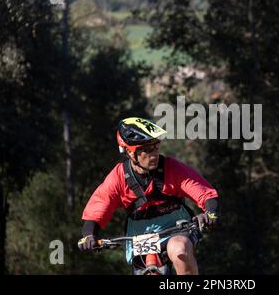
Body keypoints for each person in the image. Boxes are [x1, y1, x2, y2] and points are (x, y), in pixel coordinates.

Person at [77, 117, 219, 275]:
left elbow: (205, 193)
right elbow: (97, 209)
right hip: (140, 237)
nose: (155, 154)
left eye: (156, 146)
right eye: (147, 149)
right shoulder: (118, 177)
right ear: (131, 152)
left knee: (179, 249)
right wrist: (89, 235)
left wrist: (209, 213)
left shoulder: (172, 168)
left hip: (176, 229)